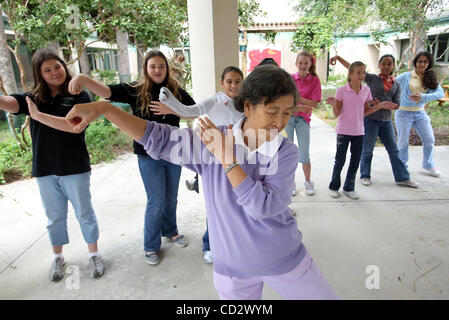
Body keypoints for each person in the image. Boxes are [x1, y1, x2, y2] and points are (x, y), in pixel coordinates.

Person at [66, 65, 339, 300]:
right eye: (272, 111)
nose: (280, 122)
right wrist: (105, 109)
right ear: (248, 106)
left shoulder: (284, 151)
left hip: (283, 259)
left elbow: (263, 207)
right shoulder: (211, 140)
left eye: (287, 113)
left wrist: (226, 157)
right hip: (231, 269)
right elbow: (157, 138)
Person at [68, 50, 194, 266]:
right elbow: (106, 92)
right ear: (146, 68)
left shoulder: (175, 91)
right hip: (148, 155)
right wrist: (83, 78)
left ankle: (171, 231)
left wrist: (173, 108)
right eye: (153, 66)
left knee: (171, 197)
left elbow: (193, 111)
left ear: (167, 69)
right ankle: (151, 245)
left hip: (174, 152)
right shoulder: (135, 90)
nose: (157, 70)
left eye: (161, 66)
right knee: (156, 201)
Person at [0, 49, 104, 281]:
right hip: (45, 169)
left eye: (57, 67)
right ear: (40, 74)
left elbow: (73, 125)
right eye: (47, 70)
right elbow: (8, 102)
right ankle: (58, 257)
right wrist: (32, 111)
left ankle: (94, 253)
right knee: (54, 217)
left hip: (75, 167)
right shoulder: (33, 99)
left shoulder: (80, 96)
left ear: (64, 67)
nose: (54, 72)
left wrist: (37, 117)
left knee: (84, 213)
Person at [152, 66, 244, 264]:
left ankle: (232, 244)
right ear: (222, 82)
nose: (234, 85)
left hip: (237, 157)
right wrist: (171, 102)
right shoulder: (216, 99)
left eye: (237, 81)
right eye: (229, 81)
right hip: (213, 157)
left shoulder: (245, 102)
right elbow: (191, 111)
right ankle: (209, 245)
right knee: (216, 205)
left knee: (235, 204)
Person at [329, 54, 418, 188]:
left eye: (389, 64)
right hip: (370, 120)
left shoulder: (396, 84)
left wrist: (387, 104)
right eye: (383, 64)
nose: (386, 66)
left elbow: (397, 104)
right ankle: (365, 175)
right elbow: (352, 68)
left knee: (393, 150)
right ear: (379, 65)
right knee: (367, 149)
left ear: (393, 66)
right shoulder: (372, 79)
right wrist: (338, 57)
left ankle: (402, 177)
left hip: (386, 120)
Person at [327, 61, 397, 200]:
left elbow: (366, 111)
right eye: (358, 72)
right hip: (343, 131)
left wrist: (381, 105)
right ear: (351, 74)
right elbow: (337, 113)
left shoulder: (366, 90)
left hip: (359, 131)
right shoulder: (342, 90)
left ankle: (349, 187)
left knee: (355, 160)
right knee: (340, 160)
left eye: (364, 72)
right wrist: (334, 103)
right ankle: (334, 187)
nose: (361, 75)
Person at [394, 51, 444, 177]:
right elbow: (390, 85)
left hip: (420, 114)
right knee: (403, 142)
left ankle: (428, 164)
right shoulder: (406, 76)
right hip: (403, 113)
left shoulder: (430, 77)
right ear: (415, 62)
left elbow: (440, 93)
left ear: (429, 63)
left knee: (429, 140)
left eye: (425, 62)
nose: (422, 64)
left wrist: (423, 97)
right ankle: (402, 167)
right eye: (420, 61)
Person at [285, 51, 320, 196]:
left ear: (311, 64)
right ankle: (290, 183)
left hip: (303, 120)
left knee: (304, 153)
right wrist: (302, 101)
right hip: (288, 118)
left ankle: (308, 182)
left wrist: (298, 98)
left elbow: (315, 103)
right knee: (288, 153)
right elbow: (287, 100)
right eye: (300, 63)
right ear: (296, 64)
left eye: (306, 63)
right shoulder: (290, 79)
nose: (303, 66)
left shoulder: (314, 81)